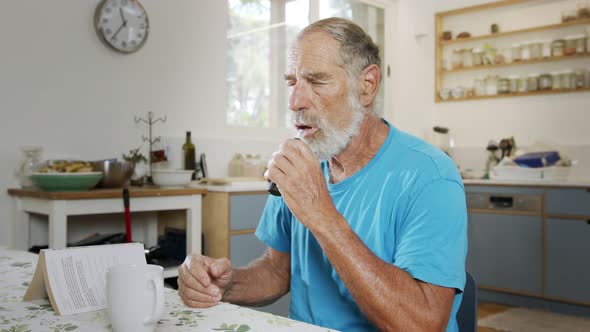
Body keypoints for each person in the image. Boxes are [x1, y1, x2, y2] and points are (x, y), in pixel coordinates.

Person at [178, 17, 467, 332]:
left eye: (316, 81)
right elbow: (278, 270)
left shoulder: (431, 177)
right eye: (292, 82)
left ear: (366, 86)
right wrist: (224, 285)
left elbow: (422, 325)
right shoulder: (302, 164)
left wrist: (321, 214)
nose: (295, 101)